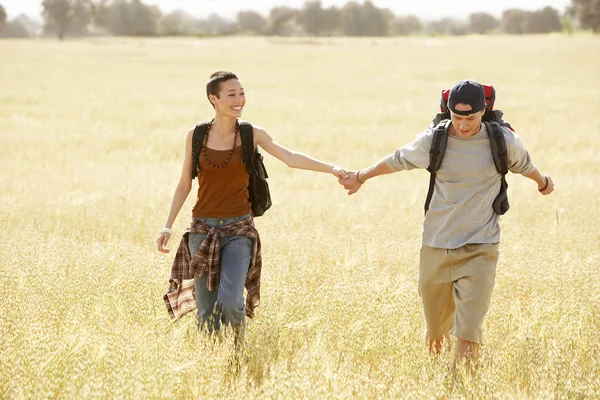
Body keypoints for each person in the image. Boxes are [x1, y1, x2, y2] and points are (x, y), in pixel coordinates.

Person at [339, 80, 554, 371]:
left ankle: (459, 386)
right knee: (436, 331)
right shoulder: (434, 140)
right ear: (449, 111)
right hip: (436, 246)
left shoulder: (502, 141)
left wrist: (543, 183)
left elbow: (526, 166)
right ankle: (435, 379)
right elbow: (398, 160)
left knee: (468, 327)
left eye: (471, 118)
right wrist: (361, 177)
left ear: (483, 111)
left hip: (481, 247)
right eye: (457, 117)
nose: (464, 126)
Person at [158, 71, 347, 341]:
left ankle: (237, 354)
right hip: (202, 230)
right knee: (206, 312)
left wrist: (332, 169)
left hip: (238, 231)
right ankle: (211, 361)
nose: (240, 100)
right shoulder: (196, 135)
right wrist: (167, 225)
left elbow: (290, 157)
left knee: (231, 301)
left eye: (242, 93)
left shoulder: (251, 134)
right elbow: (184, 184)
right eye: (232, 94)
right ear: (214, 98)